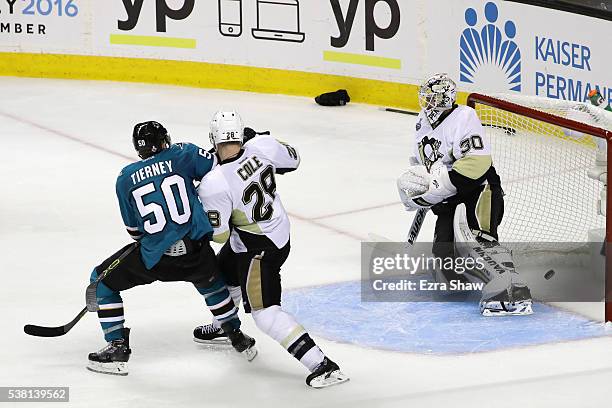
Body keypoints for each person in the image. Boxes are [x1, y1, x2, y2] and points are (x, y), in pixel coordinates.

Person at [193, 110, 349, 388]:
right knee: (224, 274)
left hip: (259, 249)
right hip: (275, 230)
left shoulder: (214, 183)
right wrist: (265, 141)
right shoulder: (261, 145)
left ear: (213, 138)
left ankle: (323, 365)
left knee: (265, 314)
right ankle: (225, 325)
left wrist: (203, 207)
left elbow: (219, 235)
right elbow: (294, 159)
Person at [87, 121, 256, 376]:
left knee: (101, 282)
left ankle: (117, 346)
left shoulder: (124, 178)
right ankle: (236, 335)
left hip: (157, 259)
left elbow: (134, 232)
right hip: (196, 253)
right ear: (165, 140)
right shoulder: (183, 153)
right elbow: (221, 167)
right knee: (212, 284)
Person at [396, 73, 533, 316]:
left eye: (432, 98)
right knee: (444, 258)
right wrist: (420, 188)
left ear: (446, 99)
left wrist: (439, 188)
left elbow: (476, 164)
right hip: (451, 198)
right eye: (425, 98)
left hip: (478, 190)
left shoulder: (464, 117)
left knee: (479, 243)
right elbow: (423, 165)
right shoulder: (422, 121)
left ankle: (514, 293)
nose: (427, 104)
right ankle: (478, 281)